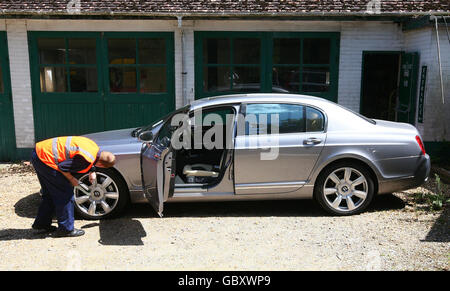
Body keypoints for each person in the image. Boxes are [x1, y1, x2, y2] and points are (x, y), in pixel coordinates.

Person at [31, 136, 115, 237]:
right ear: (101, 165)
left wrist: (92, 171)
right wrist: (71, 179)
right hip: (46, 160)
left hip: (39, 152)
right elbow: (62, 167)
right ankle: (66, 229)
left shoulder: (94, 147)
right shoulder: (85, 161)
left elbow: (86, 158)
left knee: (50, 193)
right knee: (65, 194)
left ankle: (42, 224)